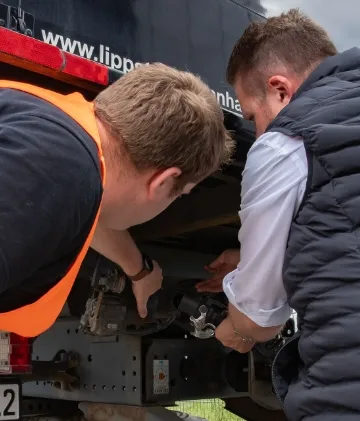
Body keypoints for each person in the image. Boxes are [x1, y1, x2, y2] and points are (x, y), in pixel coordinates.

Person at [196, 8, 360, 420]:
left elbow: (257, 319)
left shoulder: (286, 139)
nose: (256, 133)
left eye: (252, 117)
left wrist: (232, 329)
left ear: (281, 91)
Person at [0, 63, 234, 337]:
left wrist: (139, 270)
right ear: (163, 182)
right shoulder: (57, 175)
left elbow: (86, 214)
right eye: (180, 194)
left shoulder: (60, 130)